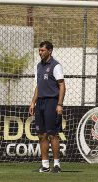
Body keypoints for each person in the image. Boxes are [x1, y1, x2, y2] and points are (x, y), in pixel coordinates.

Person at [29, 41, 66, 173]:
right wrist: (33, 102)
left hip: (52, 102)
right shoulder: (38, 66)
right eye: (39, 50)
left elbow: (62, 85)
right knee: (41, 134)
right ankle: (45, 165)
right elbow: (38, 87)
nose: (40, 53)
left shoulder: (56, 66)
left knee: (53, 134)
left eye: (43, 50)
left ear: (50, 51)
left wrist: (59, 104)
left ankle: (56, 165)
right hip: (40, 103)